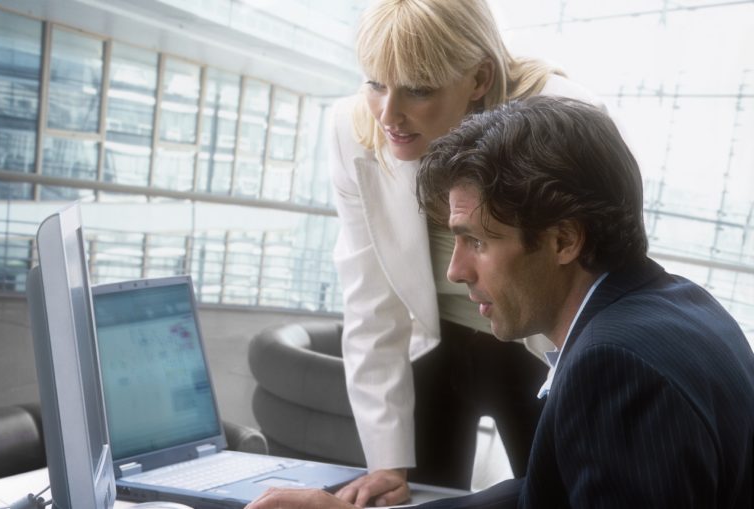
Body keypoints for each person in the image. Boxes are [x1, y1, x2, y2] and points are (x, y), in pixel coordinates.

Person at [247, 96, 754, 509]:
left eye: (478, 242)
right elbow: (546, 494)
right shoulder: (680, 306)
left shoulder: (614, 365)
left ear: (563, 241)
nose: (456, 271)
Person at [329, 0, 600, 504]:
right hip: (438, 344)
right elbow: (370, 299)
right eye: (376, 83)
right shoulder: (353, 130)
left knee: (560, 496)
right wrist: (386, 461)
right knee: (422, 497)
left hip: (542, 346)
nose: (388, 115)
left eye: (418, 89)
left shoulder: (567, 121)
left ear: (478, 78)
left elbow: (600, 275)